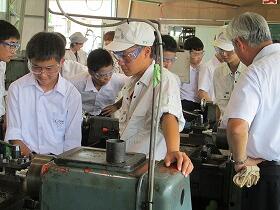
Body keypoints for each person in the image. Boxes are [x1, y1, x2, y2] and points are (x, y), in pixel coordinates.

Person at [105, 22, 193, 176]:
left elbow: (168, 115)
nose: (120, 61)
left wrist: (173, 150)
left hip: (148, 172)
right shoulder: (132, 81)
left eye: (126, 55)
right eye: (117, 55)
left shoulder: (164, 79)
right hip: (127, 167)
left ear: (146, 51)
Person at [224, 12, 280, 210]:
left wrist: (241, 162)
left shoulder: (256, 71)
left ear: (239, 43)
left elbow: (237, 128)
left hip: (267, 177)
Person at [5, 32, 82, 156]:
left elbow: (72, 142)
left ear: (61, 62)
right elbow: (14, 133)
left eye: (49, 68)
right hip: (24, 159)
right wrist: (32, 162)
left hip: (57, 162)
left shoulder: (71, 95)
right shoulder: (17, 89)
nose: (43, 74)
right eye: (36, 67)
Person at [71, 48, 127, 116]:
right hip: (81, 115)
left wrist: (117, 105)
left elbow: (135, 85)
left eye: (110, 73)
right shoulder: (75, 83)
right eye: (102, 75)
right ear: (91, 72)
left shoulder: (118, 80)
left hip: (106, 115)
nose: (107, 78)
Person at [212, 26, 246, 120]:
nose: (224, 54)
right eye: (220, 49)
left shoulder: (249, 71)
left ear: (238, 46)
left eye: (228, 49)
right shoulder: (218, 72)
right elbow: (218, 105)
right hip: (225, 126)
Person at [0, 20, 20, 139]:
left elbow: (1, 92)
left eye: (16, 46)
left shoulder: (2, 64)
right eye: (11, 45)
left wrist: (6, 115)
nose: (14, 51)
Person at [198, 28, 225, 102]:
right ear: (216, 48)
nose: (224, 54)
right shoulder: (207, 67)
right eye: (221, 50)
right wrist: (213, 109)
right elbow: (202, 93)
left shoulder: (228, 67)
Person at [180, 36, 204, 112]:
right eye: (196, 54)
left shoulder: (204, 68)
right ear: (187, 53)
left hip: (200, 105)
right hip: (183, 104)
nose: (199, 57)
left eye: (201, 53)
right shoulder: (180, 69)